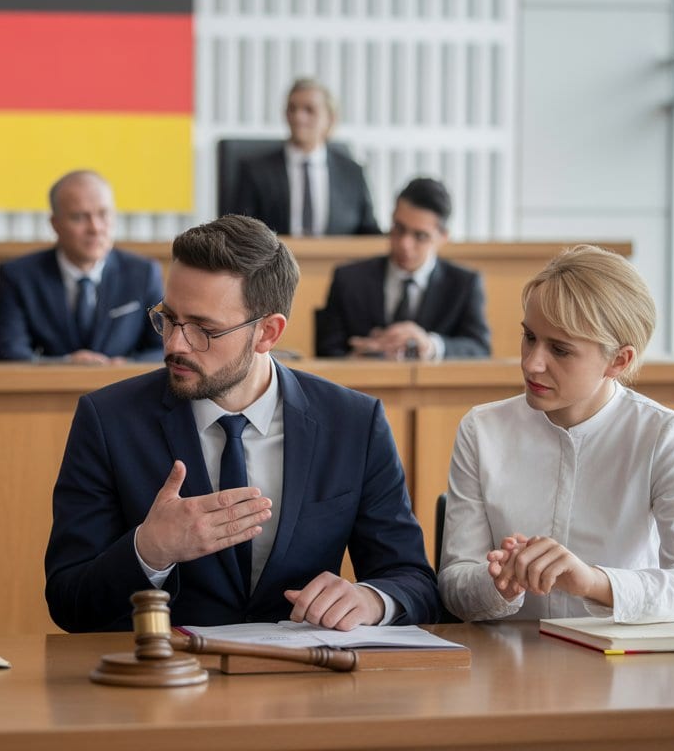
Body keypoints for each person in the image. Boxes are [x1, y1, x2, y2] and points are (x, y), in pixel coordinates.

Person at [44, 214, 438, 632]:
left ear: (267, 332)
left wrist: (372, 600)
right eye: (169, 318)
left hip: (302, 683)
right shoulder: (108, 420)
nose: (175, 344)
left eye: (203, 329)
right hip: (163, 680)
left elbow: (414, 582)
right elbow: (68, 603)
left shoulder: (354, 423)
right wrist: (149, 550)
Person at [438, 245, 674, 623]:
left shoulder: (663, 435)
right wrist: (497, 584)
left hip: (622, 671)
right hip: (506, 667)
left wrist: (593, 582)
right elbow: (452, 585)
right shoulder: (482, 429)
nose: (531, 362)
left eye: (560, 350)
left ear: (618, 360)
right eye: (529, 337)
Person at [0, 170, 163, 363]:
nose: (95, 228)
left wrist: (126, 367)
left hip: (126, 389)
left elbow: (164, 348)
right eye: (79, 217)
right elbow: (9, 353)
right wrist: (65, 364)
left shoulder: (144, 273)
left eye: (104, 214)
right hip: (49, 390)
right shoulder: (18, 276)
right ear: (55, 224)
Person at [316, 177, 491, 359]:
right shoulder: (348, 279)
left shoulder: (464, 284)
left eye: (420, 236)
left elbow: (479, 348)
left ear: (443, 237)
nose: (404, 244)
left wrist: (430, 345)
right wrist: (356, 357)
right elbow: (326, 351)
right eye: (399, 229)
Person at [232, 78, 381, 237]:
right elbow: (240, 233)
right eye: (292, 109)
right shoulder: (256, 172)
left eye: (309, 110)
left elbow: (369, 234)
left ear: (330, 119)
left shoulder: (352, 173)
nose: (298, 118)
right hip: (274, 260)